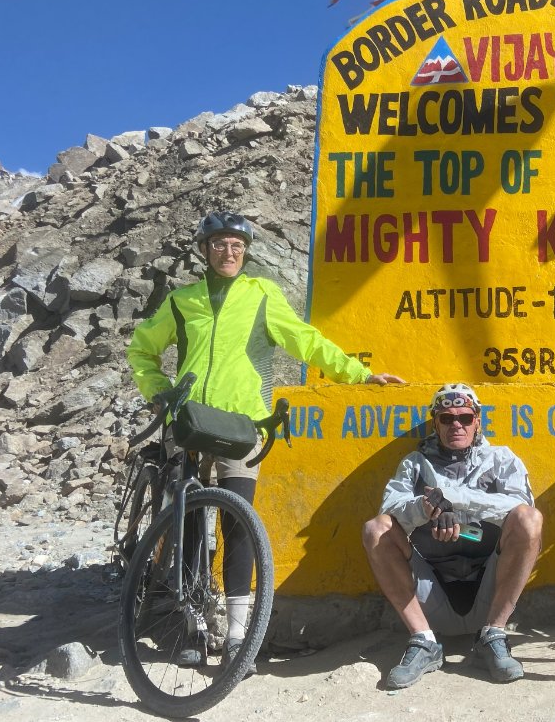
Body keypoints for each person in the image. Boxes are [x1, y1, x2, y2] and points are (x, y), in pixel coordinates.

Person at [127, 211, 404, 671]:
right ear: (203, 249)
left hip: (243, 426)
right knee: (190, 526)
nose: (228, 252)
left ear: (246, 251)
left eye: (236, 245)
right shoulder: (182, 300)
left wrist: (359, 374)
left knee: (238, 526)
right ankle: (191, 626)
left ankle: (237, 635)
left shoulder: (261, 295)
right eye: (218, 244)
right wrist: (159, 394)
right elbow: (141, 349)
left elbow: (304, 341)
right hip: (189, 423)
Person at [361, 383, 543, 689]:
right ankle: (423, 641)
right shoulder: (414, 464)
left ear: (478, 421)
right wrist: (427, 507)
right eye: (446, 419)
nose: (456, 425)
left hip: (490, 590)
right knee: (375, 529)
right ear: (435, 423)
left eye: (465, 418)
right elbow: (390, 507)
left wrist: (454, 499)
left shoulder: (501, 459)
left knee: (529, 520)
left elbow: (521, 504)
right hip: (430, 593)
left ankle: (494, 635)